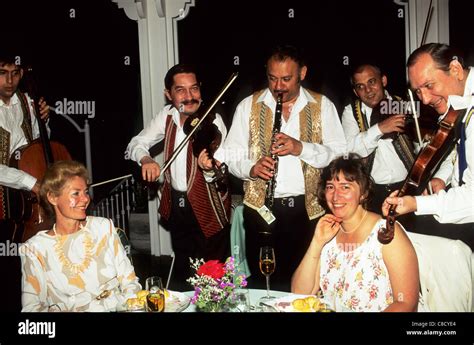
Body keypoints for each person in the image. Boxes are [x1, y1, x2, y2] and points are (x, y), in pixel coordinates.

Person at [212, 45, 347, 291]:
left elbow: (339, 154)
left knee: (307, 281)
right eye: (273, 78)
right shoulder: (247, 106)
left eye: (286, 79)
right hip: (261, 211)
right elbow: (231, 154)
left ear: (302, 73)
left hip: (309, 211)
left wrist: (301, 148)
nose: (278, 86)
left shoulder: (322, 105)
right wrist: (252, 169)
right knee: (266, 281)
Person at [125, 64, 231, 290]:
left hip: (209, 207)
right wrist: (146, 160)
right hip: (179, 206)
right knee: (185, 269)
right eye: (181, 90)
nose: (190, 97)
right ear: (168, 94)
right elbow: (136, 143)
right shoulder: (167, 116)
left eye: (194, 89)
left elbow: (223, 171)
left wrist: (210, 168)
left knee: (212, 276)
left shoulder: (213, 120)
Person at [291, 154, 419, 312]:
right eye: (330, 187)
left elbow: (406, 303)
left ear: (363, 193)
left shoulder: (387, 233)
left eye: (345, 187)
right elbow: (299, 294)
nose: (336, 196)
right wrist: (316, 243)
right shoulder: (328, 233)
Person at [382, 43, 474, 249]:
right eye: (418, 91)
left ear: (456, 70)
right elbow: (462, 153)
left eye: (429, 85)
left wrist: (415, 204)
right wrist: (443, 176)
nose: (423, 99)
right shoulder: (461, 102)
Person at [20, 160, 141, 311]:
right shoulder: (35, 249)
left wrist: (127, 306)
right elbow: (32, 309)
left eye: (85, 192)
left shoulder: (103, 228)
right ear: (52, 198)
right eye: (76, 193)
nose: (85, 199)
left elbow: (130, 283)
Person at [0, 53, 50, 312]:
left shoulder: (26, 101)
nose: (10, 80)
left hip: (25, 199)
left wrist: (44, 120)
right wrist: (30, 182)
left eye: (16, 72)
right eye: (2, 72)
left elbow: (39, 145)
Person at [341, 64, 416, 216]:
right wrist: (380, 128)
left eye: (372, 82)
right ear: (356, 91)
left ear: (383, 80)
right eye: (360, 86)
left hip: (407, 188)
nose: (368, 90)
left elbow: (420, 145)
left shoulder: (404, 105)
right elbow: (350, 150)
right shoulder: (351, 112)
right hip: (372, 193)